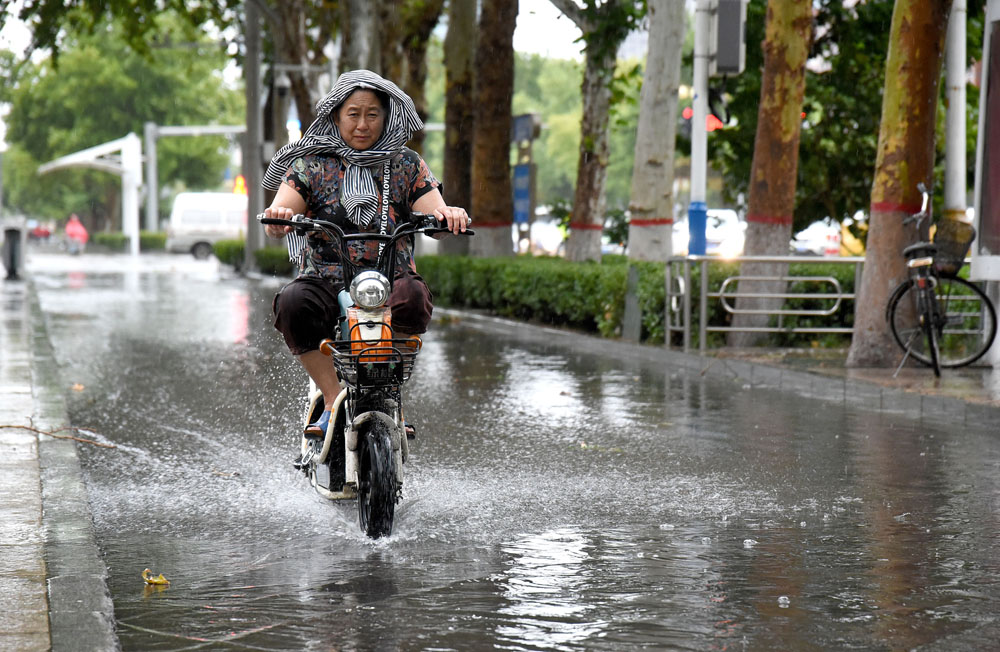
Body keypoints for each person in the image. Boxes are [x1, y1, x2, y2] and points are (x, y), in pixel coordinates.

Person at [262, 69, 470, 439]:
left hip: (390, 277)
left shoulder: (406, 163)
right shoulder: (310, 164)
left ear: (386, 117)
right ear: (336, 116)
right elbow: (282, 209)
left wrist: (448, 215)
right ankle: (332, 397)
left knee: (414, 299)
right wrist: (279, 218)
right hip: (324, 278)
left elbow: (434, 212)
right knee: (293, 303)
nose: (362, 124)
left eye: (372, 114)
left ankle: (390, 395)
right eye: (353, 114)